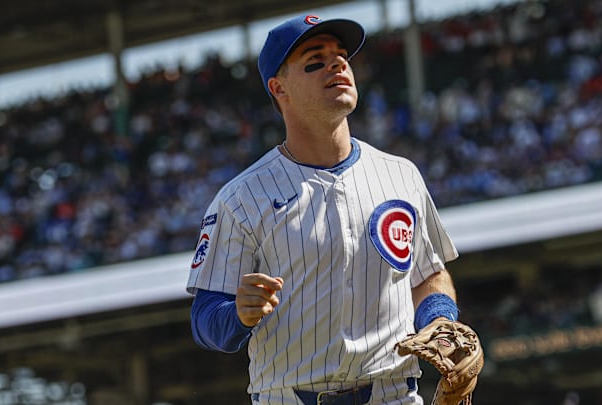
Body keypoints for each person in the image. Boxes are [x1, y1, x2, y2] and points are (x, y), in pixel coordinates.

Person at [187, 14, 462, 405]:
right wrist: (238, 315)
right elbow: (204, 320)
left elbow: (429, 274)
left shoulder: (401, 175)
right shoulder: (241, 199)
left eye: (342, 57)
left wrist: (438, 319)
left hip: (393, 395)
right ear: (278, 88)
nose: (336, 65)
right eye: (315, 60)